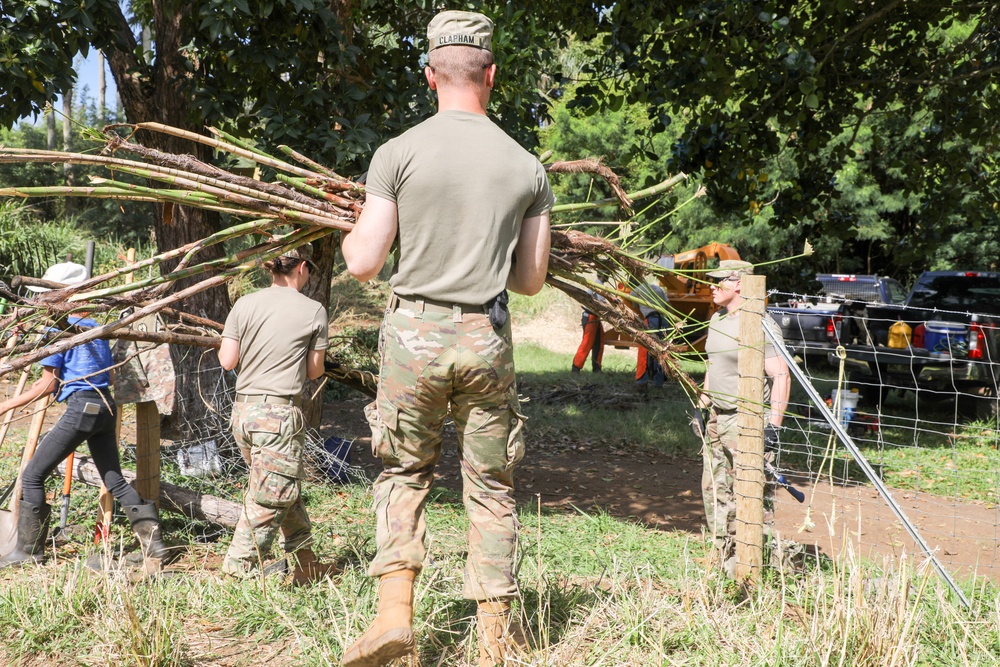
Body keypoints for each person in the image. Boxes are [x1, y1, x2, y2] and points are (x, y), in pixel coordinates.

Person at [338, 10, 554, 667]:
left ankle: (394, 616)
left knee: (404, 472)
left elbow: (364, 262)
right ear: (491, 75)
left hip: (414, 337)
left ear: (431, 74)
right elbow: (531, 279)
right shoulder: (527, 167)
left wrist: (354, 225)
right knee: (490, 485)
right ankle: (494, 639)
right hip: (485, 335)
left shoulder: (397, 154)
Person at [0, 262, 176, 569]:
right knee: (115, 480)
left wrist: (5, 406)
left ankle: (28, 553)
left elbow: (47, 384)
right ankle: (156, 547)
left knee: (32, 475)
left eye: (46, 296)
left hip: (82, 408)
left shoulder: (59, 328)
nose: (41, 302)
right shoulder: (94, 324)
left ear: (62, 295)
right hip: (104, 408)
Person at [217, 244, 335, 585]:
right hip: (278, 415)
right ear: (300, 268)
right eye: (309, 269)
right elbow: (314, 372)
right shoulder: (314, 310)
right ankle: (236, 574)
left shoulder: (244, 303)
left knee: (279, 486)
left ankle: (306, 562)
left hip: (243, 413)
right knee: (272, 495)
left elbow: (227, 361)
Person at [698, 260, 790, 577]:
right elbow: (713, 367)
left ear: (739, 283)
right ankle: (722, 556)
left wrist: (773, 426)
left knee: (749, 494)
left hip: (747, 420)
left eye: (718, 280)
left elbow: (781, 375)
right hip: (717, 418)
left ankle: (752, 565)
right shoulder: (716, 319)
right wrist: (703, 402)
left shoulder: (760, 324)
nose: (711, 285)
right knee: (715, 490)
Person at [632, 280, 669, 388]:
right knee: (660, 351)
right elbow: (668, 305)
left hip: (651, 320)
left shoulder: (636, 290)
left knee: (645, 350)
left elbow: (632, 307)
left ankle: (642, 381)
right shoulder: (659, 289)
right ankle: (658, 382)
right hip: (663, 320)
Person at [571, 277, 606, 374]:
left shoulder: (600, 285)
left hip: (595, 318)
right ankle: (576, 368)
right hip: (590, 317)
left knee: (599, 342)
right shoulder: (597, 285)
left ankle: (597, 368)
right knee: (587, 343)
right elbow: (600, 302)